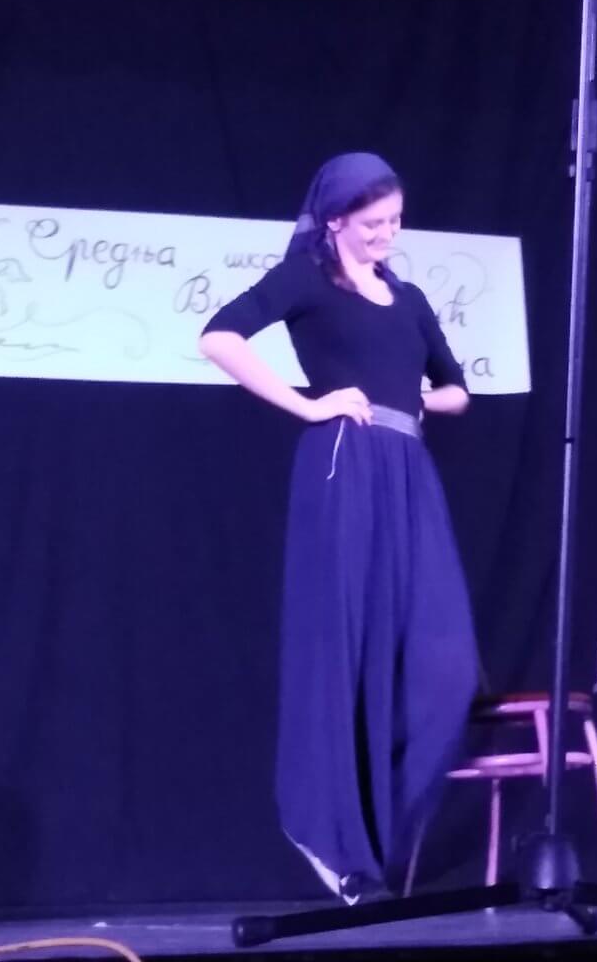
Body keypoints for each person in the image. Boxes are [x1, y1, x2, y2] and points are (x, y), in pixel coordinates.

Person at [199, 151, 479, 905]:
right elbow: (219, 338)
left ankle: (378, 837)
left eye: (395, 220)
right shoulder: (307, 281)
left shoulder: (409, 297)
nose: (388, 233)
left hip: (408, 473)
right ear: (334, 222)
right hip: (344, 467)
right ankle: (336, 843)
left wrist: (416, 401)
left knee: (445, 666)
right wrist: (307, 404)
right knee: (343, 650)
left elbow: (456, 390)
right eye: (374, 222)